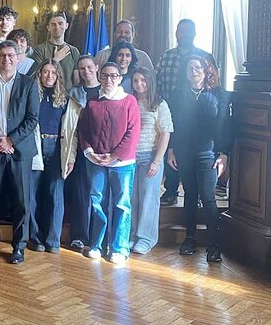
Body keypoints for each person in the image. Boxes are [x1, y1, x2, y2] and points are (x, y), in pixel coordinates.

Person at [0, 41, 39, 264]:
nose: (6, 59)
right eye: (2, 55)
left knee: (21, 201)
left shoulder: (29, 85)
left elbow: (32, 119)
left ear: (18, 58)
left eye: (11, 55)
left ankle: (19, 247)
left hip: (19, 150)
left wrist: (11, 140)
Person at [167, 56, 230, 263]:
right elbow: (172, 124)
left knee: (208, 196)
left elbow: (224, 125)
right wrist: (171, 149)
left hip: (208, 153)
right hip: (184, 151)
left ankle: (214, 245)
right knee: (190, 195)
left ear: (206, 71)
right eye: (189, 67)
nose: (193, 71)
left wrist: (223, 154)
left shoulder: (218, 95)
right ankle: (190, 239)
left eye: (197, 67)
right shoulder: (177, 95)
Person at [77, 62, 140, 264]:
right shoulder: (93, 102)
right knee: (97, 203)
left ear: (120, 78)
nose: (109, 80)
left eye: (113, 76)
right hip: (95, 162)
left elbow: (133, 132)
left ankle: (119, 248)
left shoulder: (129, 101)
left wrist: (114, 156)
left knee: (121, 205)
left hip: (122, 164)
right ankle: (97, 244)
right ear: (100, 77)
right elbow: (83, 131)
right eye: (105, 76)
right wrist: (90, 153)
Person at [156, 19, 216, 205]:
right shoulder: (166, 56)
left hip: (199, 111)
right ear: (176, 33)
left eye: (188, 31)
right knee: (171, 152)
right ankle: (171, 191)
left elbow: (214, 83)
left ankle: (196, 194)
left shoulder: (204, 56)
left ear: (195, 33)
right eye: (181, 31)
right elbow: (157, 83)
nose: (184, 34)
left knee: (195, 158)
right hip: (170, 110)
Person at [28, 60, 80, 254]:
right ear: (39, 74)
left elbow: (72, 132)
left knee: (55, 195)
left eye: (53, 73)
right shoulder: (31, 95)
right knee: (31, 195)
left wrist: (71, 157)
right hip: (34, 146)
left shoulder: (66, 99)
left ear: (58, 76)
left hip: (57, 147)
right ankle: (34, 237)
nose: (49, 76)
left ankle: (53, 240)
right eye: (45, 72)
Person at [129, 66, 173, 255]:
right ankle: (131, 235)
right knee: (132, 198)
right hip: (130, 156)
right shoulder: (129, 101)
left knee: (148, 198)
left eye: (143, 80)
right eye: (136, 80)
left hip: (150, 156)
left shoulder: (159, 104)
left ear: (150, 81)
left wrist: (157, 161)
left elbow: (165, 133)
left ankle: (146, 238)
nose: (139, 84)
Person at [66, 55, 101, 250]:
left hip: (101, 149)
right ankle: (79, 235)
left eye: (88, 67)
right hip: (79, 148)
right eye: (82, 68)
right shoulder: (74, 93)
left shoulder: (106, 91)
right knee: (79, 193)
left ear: (96, 67)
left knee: (98, 193)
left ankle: (98, 235)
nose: (86, 71)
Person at [32, 12, 82, 89]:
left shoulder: (74, 51)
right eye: (53, 24)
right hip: (46, 95)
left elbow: (76, 80)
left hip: (68, 96)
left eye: (60, 23)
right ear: (48, 27)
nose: (57, 27)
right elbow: (37, 77)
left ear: (66, 26)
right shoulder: (39, 50)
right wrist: (55, 60)